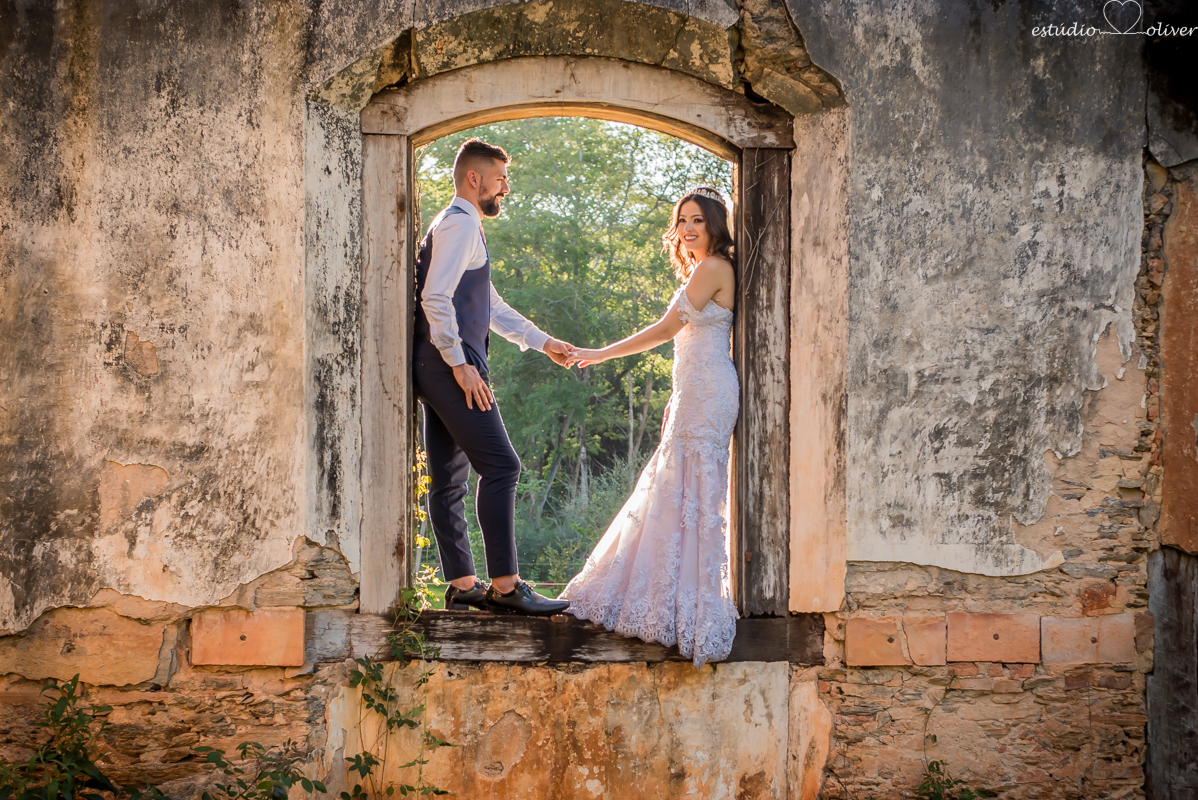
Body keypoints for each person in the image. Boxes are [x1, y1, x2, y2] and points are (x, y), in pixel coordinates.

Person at [560, 187, 739, 667]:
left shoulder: (713, 267)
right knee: (677, 488)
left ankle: (691, 611)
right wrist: (675, 398)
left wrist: (597, 353)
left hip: (710, 393)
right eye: (682, 221)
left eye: (698, 219)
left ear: (716, 224)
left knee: (690, 494)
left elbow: (665, 331)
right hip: (696, 391)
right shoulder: (706, 269)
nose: (688, 228)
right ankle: (671, 602)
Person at [414, 137, 575, 616]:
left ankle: (464, 585)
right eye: (501, 179)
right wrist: (460, 366)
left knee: (447, 479)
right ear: (474, 178)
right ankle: (506, 587)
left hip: (435, 365)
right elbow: (435, 299)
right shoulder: (462, 226)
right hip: (451, 366)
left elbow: (489, 305)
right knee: (503, 467)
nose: (506, 188)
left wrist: (542, 341)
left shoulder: (452, 224)